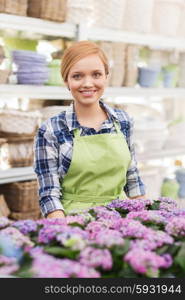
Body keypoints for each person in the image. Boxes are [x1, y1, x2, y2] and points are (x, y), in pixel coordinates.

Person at [34, 41, 146, 219]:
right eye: (77, 76)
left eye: (96, 74)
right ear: (66, 81)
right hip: (74, 223)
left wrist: (145, 220)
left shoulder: (123, 121)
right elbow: (49, 195)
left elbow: (132, 180)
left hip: (121, 220)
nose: (88, 83)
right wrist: (67, 233)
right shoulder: (51, 130)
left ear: (106, 77)